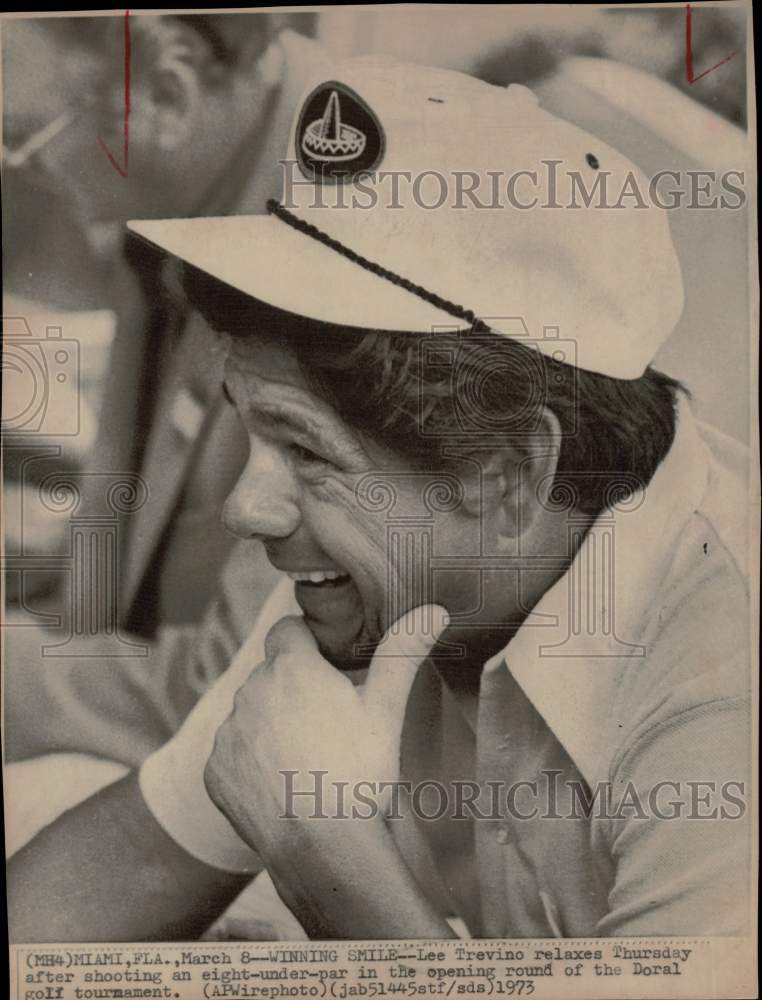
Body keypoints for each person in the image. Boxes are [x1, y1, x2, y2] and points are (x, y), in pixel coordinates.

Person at [7, 56, 751, 941]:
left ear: (510, 475)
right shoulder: (386, 578)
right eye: (252, 429)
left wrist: (326, 857)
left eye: (308, 451)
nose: (250, 509)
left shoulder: (725, 675)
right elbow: (115, 874)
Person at [2, 12, 323, 636]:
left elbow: (221, 676)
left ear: (166, 96)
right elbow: (112, 569)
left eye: (21, 135)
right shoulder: (165, 217)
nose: (18, 169)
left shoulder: (334, 264)